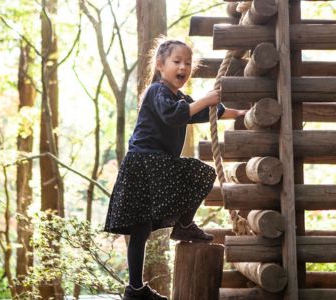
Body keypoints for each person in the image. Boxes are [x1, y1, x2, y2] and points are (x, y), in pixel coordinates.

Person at [104, 39, 246, 300]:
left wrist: (239, 113)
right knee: (142, 225)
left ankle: (178, 230)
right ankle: (137, 285)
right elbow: (176, 116)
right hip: (144, 162)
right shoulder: (157, 92)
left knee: (145, 225)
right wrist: (204, 100)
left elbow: (207, 112)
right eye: (177, 61)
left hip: (154, 164)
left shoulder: (179, 97)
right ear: (160, 65)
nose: (184, 67)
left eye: (188, 63)